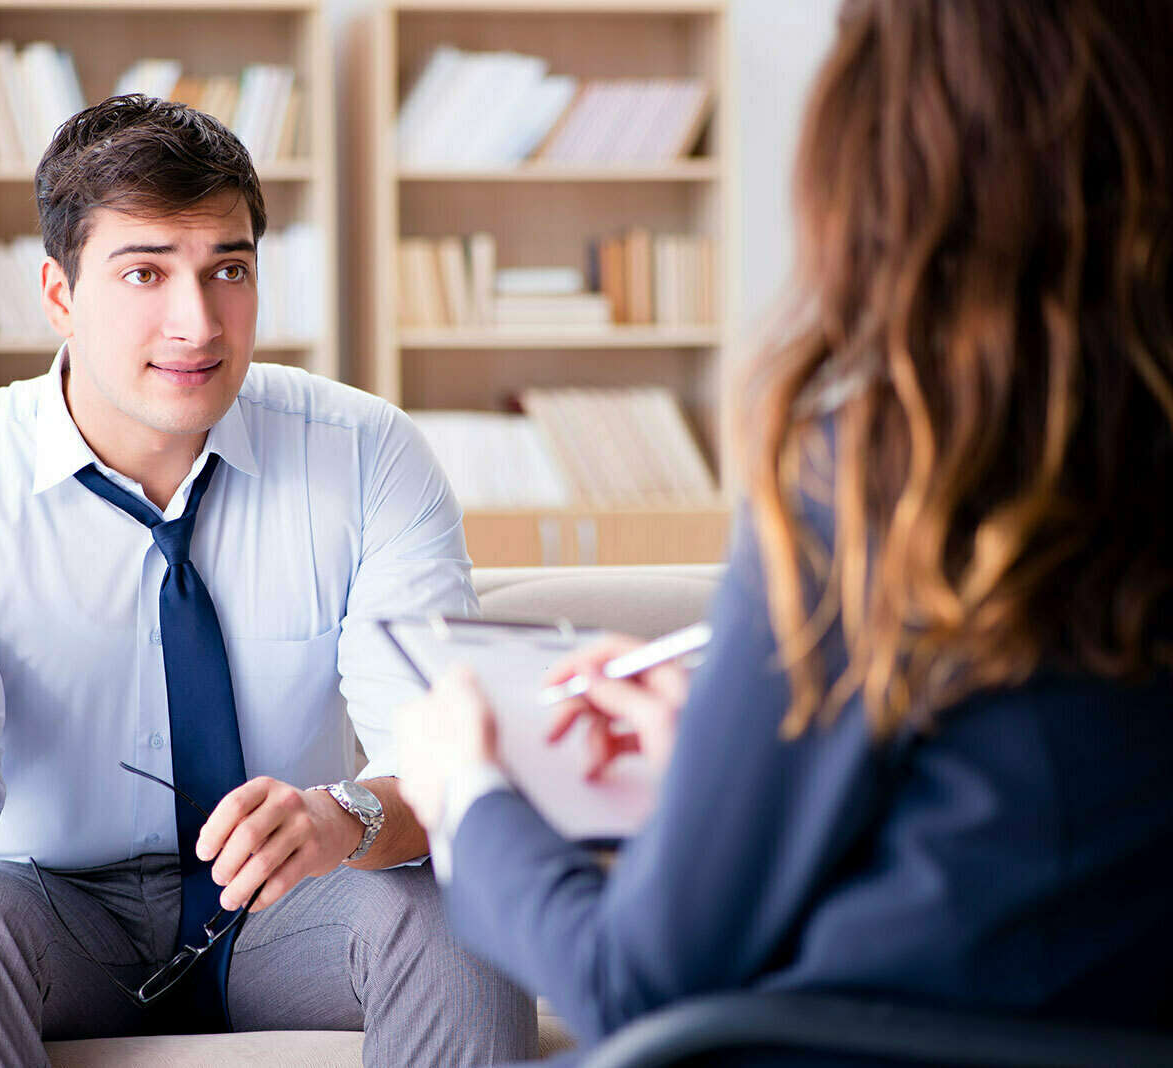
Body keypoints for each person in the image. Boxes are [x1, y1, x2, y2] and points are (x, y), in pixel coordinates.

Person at [0, 94, 535, 1066]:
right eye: (144, 273)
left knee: (466, 905)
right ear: (59, 294)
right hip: (51, 912)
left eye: (229, 270)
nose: (196, 322)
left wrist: (346, 816)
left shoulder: (367, 454)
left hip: (289, 904)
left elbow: (444, 765)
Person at [396, 0, 1173, 1060]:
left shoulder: (888, 482)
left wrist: (468, 798)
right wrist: (717, 761)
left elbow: (630, 984)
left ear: (891, 151)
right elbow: (1008, 817)